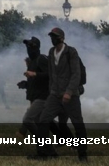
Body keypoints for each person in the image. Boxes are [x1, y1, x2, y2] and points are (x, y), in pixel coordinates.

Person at [31, 27, 88, 161]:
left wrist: (69, 92)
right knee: (43, 120)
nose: (52, 39)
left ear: (62, 38)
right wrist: (51, 90)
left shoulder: (71, 52)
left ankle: (83, 155)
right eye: (51, 36)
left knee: (77, 123)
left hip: (71, 95)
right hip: (55, 95)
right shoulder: (51, 52)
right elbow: (51, 73)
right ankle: (43, 153)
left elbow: (76, 74)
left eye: (55, 36)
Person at [17, 37, 73, 141]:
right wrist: (25, 84)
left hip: (43, 97)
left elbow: (51, 74)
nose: (28, 48)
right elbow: (37, 80)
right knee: (44, 120)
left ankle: (46, 146)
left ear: (36, 47)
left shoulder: (41, 59)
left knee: (29, 119)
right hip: (37, 97)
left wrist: (34, 74)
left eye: (30, 46)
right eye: (27, 46)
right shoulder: (33, 62)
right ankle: (63, 140)